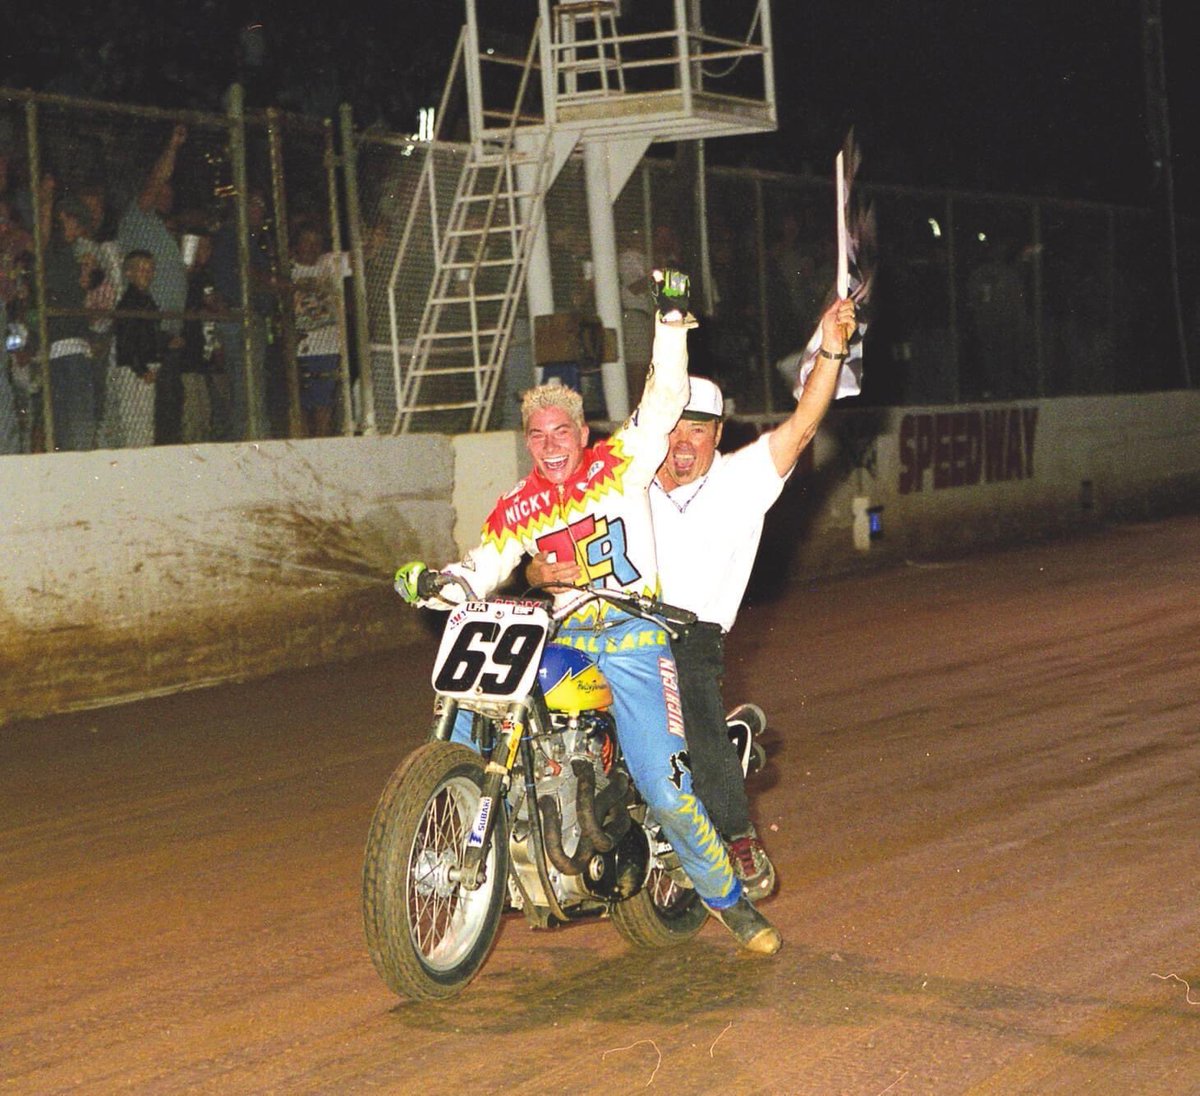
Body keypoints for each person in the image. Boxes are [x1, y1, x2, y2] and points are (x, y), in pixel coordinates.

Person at [396, 277, 782, 956]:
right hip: (564, 635)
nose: (548, 444)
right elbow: (485, 561)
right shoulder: (519, 504)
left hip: (636, 638)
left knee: (665, 786)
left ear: (582, 433)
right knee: (486, 699)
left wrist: (669, 322)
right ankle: (465, 820)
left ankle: (728, 897)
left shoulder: (623, 464)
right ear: (528, 441)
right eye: (536, 434)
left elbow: (664, 398)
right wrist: (440, 583)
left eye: (560, 431)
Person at [529, 294, 859, 903]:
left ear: (718, 434)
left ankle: (736, 837)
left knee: (693, 711)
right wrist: (539, 571)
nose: (683, 444)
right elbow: (536, 544)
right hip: (610, 626)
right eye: (674, 429)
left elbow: (804, 422)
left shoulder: (743, 479)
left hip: (688, 636)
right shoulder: (620, 481)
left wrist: (833, 348)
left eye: (698, 431)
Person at [289, 221, 350, 437]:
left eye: (317, 243)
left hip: (327, 346)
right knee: (300, 405)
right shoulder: (288, 269)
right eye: (307, 242)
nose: (312, 248)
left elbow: (360, 256)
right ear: (297, 244)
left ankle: (322, 443)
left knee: (324, 405)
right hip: (300, 346)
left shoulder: (328, 263)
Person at [112, 249, 169, 447]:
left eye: (150, 269)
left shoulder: (146, 300)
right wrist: (141, 369)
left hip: (143, 366)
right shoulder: (130, 302)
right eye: (141, 269)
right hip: (134, 370)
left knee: (142, 424)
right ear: (129, 273)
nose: (147, 273)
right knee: (136, 424)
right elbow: (126, 340)